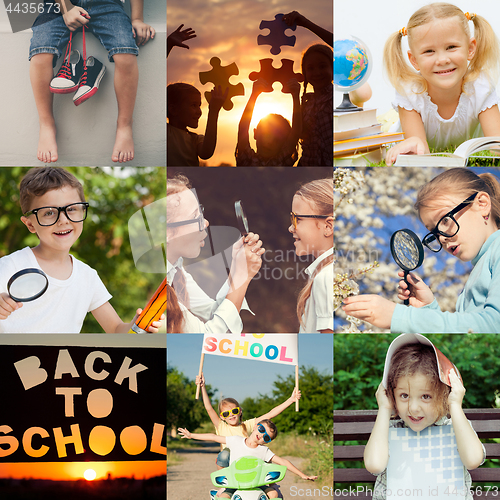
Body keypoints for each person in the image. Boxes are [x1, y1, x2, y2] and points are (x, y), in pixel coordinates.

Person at [0, 167, 163, 333]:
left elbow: (115, 329)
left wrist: (137, 324)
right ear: (29, 224)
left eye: (71, 209)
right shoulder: (10, 266)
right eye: (49, 212)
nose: (63, 220)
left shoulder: (87, 276)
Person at [342, 168, 500, 333]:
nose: (442, 238)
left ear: (482, 204)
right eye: (434, 232)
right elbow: (471, 338)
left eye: (445, 220)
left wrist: (399, 317)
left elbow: (494, 325)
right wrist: (428, 310)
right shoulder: (479, 269)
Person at [29, 0, 155, 164]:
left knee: (126, 54)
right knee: (40, 53)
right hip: (57, 5)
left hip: (107, 4)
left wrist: (137, 18)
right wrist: (66, 7)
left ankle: (125, 126)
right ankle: (46, 124)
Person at [365, 336, 484, 499]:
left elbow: (472, 460)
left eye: (426, 396)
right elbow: (374, 465)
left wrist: (454, 405)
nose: (413, 408)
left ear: (445, 395)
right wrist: (385, 408)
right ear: (390, 394)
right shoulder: (390, 430)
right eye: (404, 395)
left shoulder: (456, 427)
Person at [383, 3, 500, 166]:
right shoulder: (410, 92)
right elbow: (421, 153)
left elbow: (496, 146)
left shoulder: (480, 86)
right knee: (383, 123)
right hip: (398, 134)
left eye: (451, 47)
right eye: (429, 51)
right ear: (414, 60)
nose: (442, 60)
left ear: (470, 48)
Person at [166, 174, 264, 333]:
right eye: (194, 217)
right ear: (167, 233)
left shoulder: (175, 270)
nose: (205, 222)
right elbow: (210, 338)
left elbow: (212, 314)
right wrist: (241, 277)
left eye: (201, 212)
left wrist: (236, 270)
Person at [177, 419, 318, 499]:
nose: (261, 435)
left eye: (266, 437)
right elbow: (214, 437)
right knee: (224, 498)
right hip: (235, 483)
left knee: (275, 494)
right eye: (261, 430)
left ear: (267, 442)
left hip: (257, 483)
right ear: (256, 427)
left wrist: (303, 475)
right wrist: (191, 435)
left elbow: (283, 462)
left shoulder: (264, 451)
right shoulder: (235, 440)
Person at [195, 372, 300, 471]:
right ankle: (224, 483)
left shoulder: (247, 425)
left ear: (240, 412)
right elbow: (208, 408)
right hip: (229, 464)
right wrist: (203, 387)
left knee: (264, 456)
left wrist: (291, 400)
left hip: (245, 460)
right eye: (226, 414)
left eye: (234, 411)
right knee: (224, 454)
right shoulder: (221, 426)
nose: (231, 414)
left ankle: (269, 483)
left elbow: (270, 415)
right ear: (222, 417)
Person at [289, 178, 333, 333]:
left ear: (328, 227)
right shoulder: (327, 274)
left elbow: (326, 350)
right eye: (292, 218)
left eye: (297, 219)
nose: (291, 228)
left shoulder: (326, 277)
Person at [236, 78, 300, 166]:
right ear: (255, 133)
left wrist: (295, 96)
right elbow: (243, 128)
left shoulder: (282, 161)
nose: (269, 142)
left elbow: (296, 132)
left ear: (284, 143)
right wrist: (254, 95)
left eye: (276, 140)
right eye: (265, 135)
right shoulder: (247, 158)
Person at [167, 83, 228, 166]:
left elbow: (206, 153)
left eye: (199, 106)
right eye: (193, 105)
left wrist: (213, 112)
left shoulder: (195, 139)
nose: (199, 112)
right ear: (173, 110)